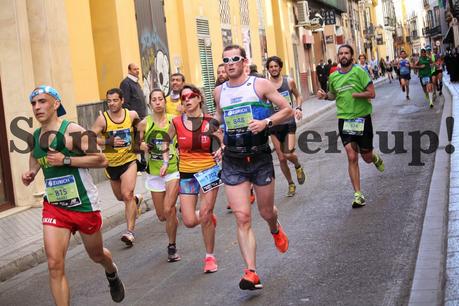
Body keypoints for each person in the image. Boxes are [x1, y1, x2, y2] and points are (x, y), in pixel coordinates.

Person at [23, 85, 125, 304]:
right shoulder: (35, 136)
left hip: (83, 205)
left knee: (96, 255)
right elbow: (36, 156)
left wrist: (66, 160)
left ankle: (111, 271)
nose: (37, 107)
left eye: (42, 101)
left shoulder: (73, 130)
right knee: (54, 264)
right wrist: (31, 172)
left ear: (56, 104)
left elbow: (101, 160)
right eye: (33, 103)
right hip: (55, 207)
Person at [213, 44, 292, 290]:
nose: (230, 63)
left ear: (244, 61)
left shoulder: (259, 85)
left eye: (235, 59)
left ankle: (274, 227)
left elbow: (286, 110)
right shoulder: (219, 91)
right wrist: (214, 133)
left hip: (259, 158)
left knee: (266, 212)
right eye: (226, 60)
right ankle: (251, 271)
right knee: (242, 216)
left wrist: (265, 121)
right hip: (233, 160)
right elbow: (219, 118)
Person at [317, 44, 385, 208]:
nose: (343, 55)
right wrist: (325, 96)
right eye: (341, 53)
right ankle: (358, 195)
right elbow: (333, 94)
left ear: (352, 56)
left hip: (362, 118)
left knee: (366, 157)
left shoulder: (360, 72)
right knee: (351, 156)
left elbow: (372, 93)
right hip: (345, 120)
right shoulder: (333, 77)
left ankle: (374, 158)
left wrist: (357, 94)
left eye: (346, 53)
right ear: (338, 57)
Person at [167, 84, 221, 273]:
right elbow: (165, 142)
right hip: (187, 174)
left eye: (190, 96)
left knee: (205, 214)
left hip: (209, 172)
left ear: (199, 98)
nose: (187, 100)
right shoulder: (176, 123)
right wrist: (165, 159)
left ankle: (209, 257)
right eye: (183, 98)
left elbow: (223, 142)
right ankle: (207, 215)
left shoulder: (211, 122)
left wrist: (221, 150)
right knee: (189, 221)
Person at [91, 88, 143, 246]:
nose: (112, 103)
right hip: (112, 164)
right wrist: (108, 142)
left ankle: (129, 232)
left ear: (122, 100)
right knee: (121, 197)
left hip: (129, 160)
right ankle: (136, 200)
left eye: (115, 100)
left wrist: (137, 142)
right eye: (109, 101)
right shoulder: (103, 119)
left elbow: (140, 127)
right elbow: (89, 136)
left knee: (126, 194)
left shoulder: (131, 115)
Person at [138, 89, 181, 262]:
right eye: (154, 100)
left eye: (160, 99)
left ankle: (172, 246)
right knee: (162, 216)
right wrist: (140, 146)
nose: (157, 102)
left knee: (168, 208)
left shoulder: (174, 120)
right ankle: (173, 218)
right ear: (150, 103)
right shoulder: (144, 123)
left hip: (172, 169)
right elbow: (135, 143)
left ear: (165, 101)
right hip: (154, 172)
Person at [266, 55, 306, 197]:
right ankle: (291, 183)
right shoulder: (265, 85)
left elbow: (298, 96)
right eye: (271, 67)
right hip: (273, 125)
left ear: (280, 67)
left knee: (288, 153)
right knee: (281, 158)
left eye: (276, 66)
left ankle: (297, 165)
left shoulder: (289, 81)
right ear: (268, 69)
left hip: (289, 122)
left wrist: (299, 108)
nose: (273, 69)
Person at [119, 63, 147, 172]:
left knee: (140, 140)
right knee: (135, 141)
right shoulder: (126, 83)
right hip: (134, 119)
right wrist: (131, 117)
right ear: (129, 70)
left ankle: (142, 162)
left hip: (141, 117)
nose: (137, 71)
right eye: (135, 69)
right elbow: (125, 102)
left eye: (138, 69)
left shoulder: (136, 82)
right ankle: (136, 164)